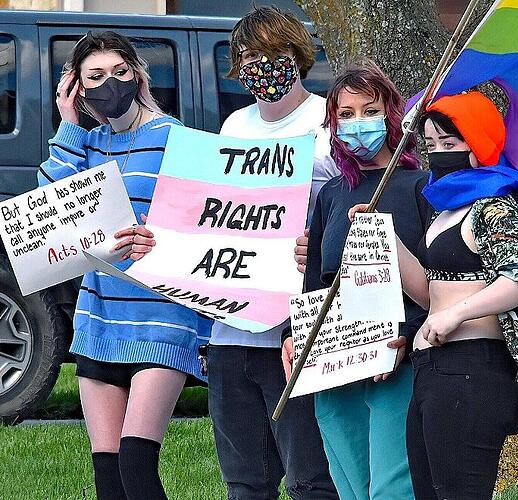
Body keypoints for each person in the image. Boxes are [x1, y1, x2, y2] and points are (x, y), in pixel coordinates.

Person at [350, 91, 518, 499]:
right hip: (431, 370)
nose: (438, 153)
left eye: (449, 142)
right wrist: (383, 235)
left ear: (478, 144)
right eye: (431, 144)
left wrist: (458, 314)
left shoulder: (495, 207)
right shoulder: (445, 210)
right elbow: (429, 293)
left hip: (472, 370)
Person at [38, 31, 211, 500]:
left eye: (119, 71)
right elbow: (49, 214)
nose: (109, 83)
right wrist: (69, 124)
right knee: (108, 477)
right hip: (98, 319)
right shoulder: (85, 143)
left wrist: (159, 238)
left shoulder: (174, 138)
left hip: (161, 319)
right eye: (94, 76)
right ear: (76, 85)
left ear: (138, 75)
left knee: (137, 464)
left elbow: (206, 222)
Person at [206, 7, 339, 500]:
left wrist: (319, 241)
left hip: (300, 328)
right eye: (246, 57)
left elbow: (353, 207)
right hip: (230, 330)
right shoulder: (233, 127)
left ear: (296, 55)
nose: (259, 65)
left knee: (311, 478)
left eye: (270, 52)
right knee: (244, 482)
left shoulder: (329, 122)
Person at [283, 60, 431, 500]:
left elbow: (438, 278)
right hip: (333, 363)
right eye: (345, 114)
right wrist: (294, 336)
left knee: (391, 488)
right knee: (349, 486)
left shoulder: (421, 187)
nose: (357, 123)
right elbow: (315, 281)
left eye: (369, 111)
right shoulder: (330, 194)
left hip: (395, 362)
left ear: (391, 115)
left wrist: (408, 335)